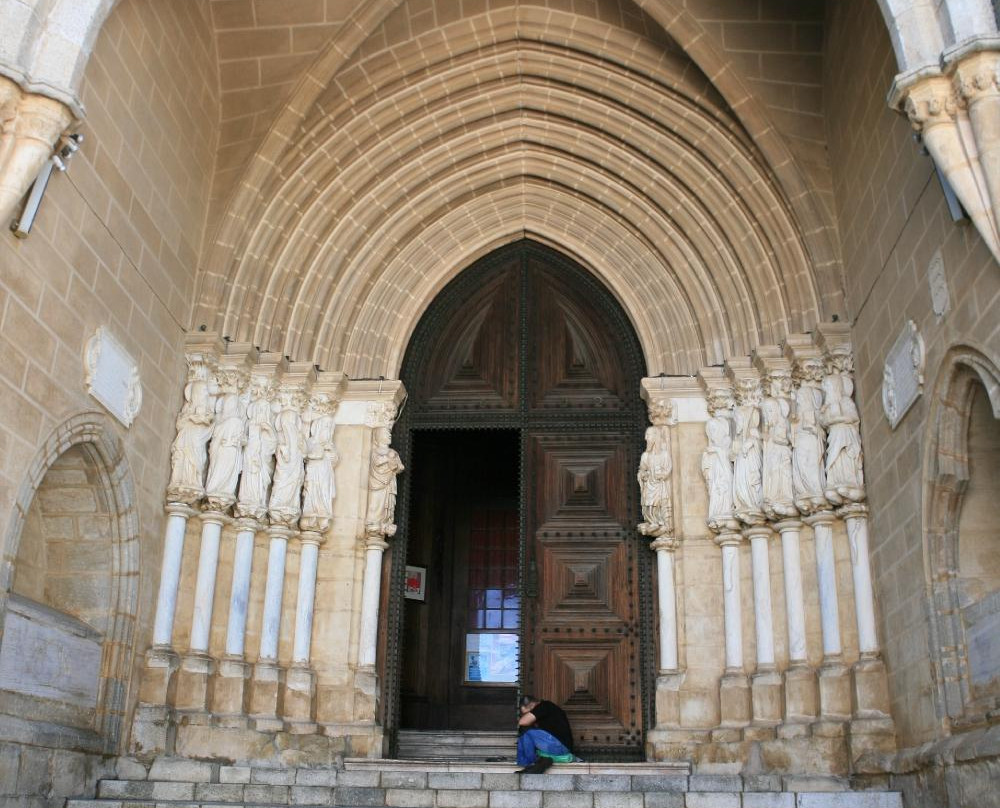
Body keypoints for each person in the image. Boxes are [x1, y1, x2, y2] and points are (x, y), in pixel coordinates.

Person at [516, 694, 576, 773]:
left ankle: (532, 763)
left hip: (561, 747)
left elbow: (522, 722)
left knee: (527, 732)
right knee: (522, 737)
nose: (525, 715)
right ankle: (526, 764)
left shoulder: (544, 706)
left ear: (532, 705)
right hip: (554, 747)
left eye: (527, 713)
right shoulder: (544, 711)